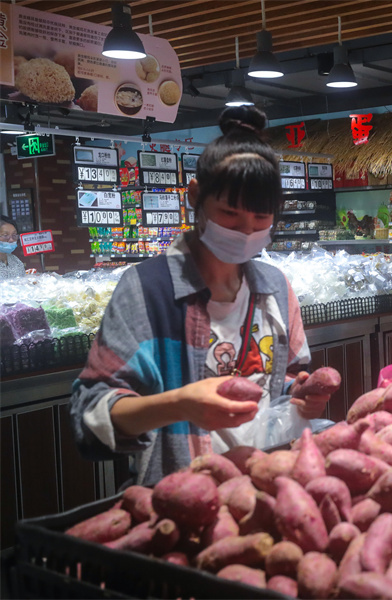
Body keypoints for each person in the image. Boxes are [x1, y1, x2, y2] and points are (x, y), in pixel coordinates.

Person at [69, 106, 331, 486]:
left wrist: (301, 393)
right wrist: (181, 404)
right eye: (229, 214)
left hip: (266, 488)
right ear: (195, 196)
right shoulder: (147, 291)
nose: (245, 231)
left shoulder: (275, 287)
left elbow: (279, 383)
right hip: (180, 495)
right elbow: (88, 414)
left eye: (261, 219)